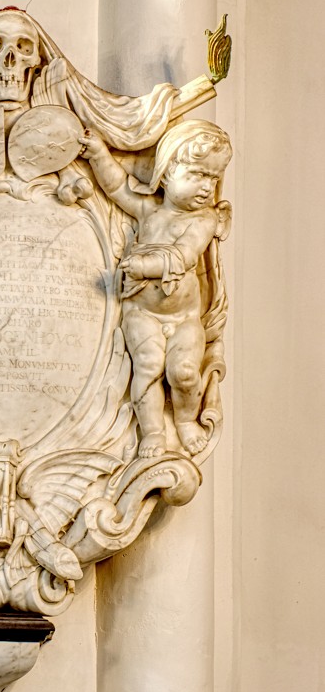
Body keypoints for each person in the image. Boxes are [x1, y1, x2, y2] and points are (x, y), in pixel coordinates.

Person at [81, 119, 232, 458]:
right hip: (142, 313)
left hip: (184, 318)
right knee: (148, 367)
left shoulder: (203, 220)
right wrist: (98, 154)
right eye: (196, 174)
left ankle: (184, 422)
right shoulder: (149, 211)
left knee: (185, 373)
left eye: (213, 177)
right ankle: (151, 431)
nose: (206, 187)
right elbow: (117, 187)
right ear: (165, 173)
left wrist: (145, 266)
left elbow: (185, 254)